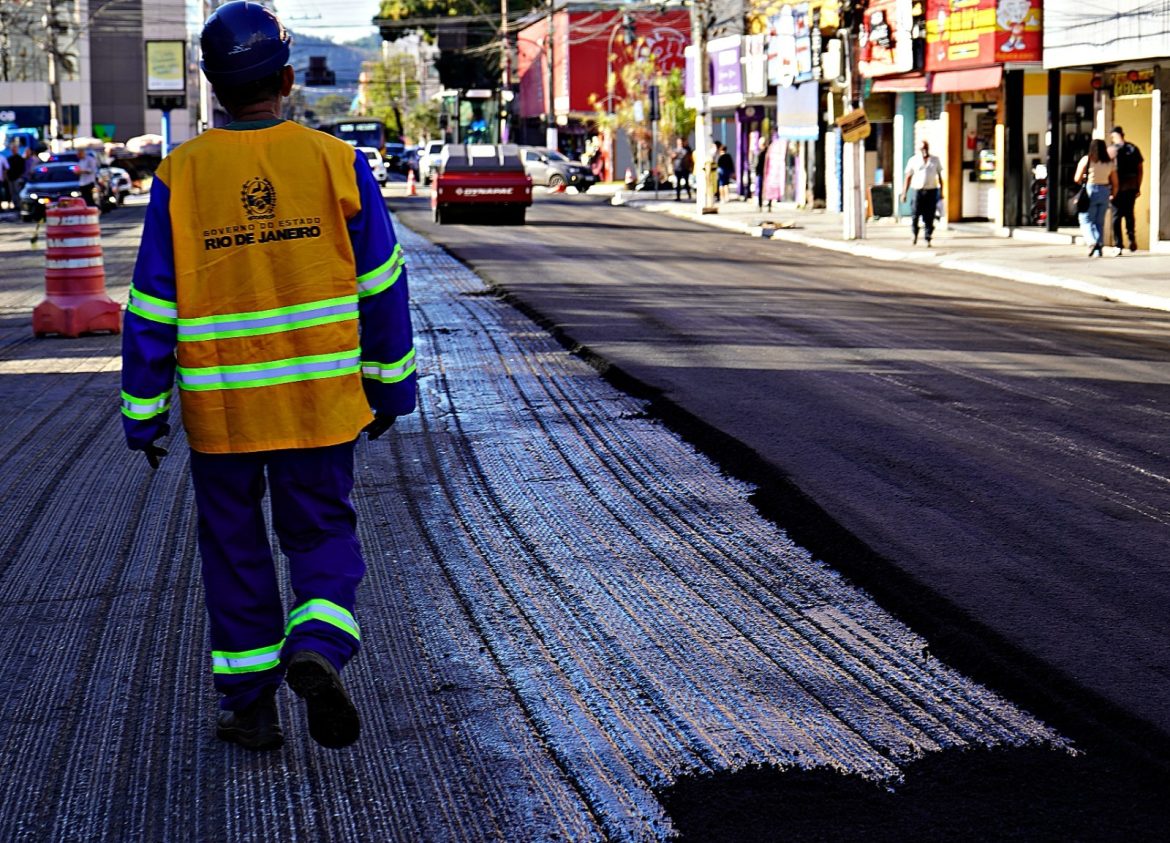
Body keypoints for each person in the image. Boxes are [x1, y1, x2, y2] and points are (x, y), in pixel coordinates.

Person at [120, 0, 416, 752]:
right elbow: (382, 286)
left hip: (224, 418)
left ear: (211, 87)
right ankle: (317, 638)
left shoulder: (179, 174)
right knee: (320, 533)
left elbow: (153, 304)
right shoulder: (335, 163)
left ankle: (250, 706)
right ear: (288, 78)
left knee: (234, 549)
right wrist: (389, 387)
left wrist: (143, 412)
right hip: (318, 408)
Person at [1074, 138, 1117, 258]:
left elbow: (1077, 178)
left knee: (1085, 219)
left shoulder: (1087, 160)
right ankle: (1099, 249)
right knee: (1099, 222)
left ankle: (1091, 242)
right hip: (1104, 191)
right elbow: (1115, 182)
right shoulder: (1109, 162)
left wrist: (1084, 178)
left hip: (1090, 190)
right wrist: (1113, 193)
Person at [900, 140, 943, 246]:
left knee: (930, 215)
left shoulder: (935, 160)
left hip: (931, 191)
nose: (924, 150)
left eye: (926, 148)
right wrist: (904, 193)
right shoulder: (913, 160)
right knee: (915, 214)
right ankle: (914, 234)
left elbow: (940, 176)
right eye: (922, 148)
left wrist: (941, 191)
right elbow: (908, 177)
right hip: (918, 191)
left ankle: (927, 237)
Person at [1109, 126, 1143, 254]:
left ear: (1114, 136)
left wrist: (1110, 189)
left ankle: (1118, 244)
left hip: (1116, 189)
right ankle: (1131, 237)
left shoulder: (1111, 150)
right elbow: (1140, 169)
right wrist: (1138, 186)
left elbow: (1108, 171)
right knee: (1129, 214)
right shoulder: (1133, 148)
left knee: (1116, 217)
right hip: (1131, 187)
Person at [4, 138, 25, 211]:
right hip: (11, 178)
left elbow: (22, 169)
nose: (14, 150)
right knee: (12, 193)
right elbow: (7, 168)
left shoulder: (20, 159)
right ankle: (16, 205)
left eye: (15, 149)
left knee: (18, 192)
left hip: (17, 178)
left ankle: (19, 205)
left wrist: (20, 176)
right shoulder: (9, 158)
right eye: (13, 149)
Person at [670, 137, 692, 201]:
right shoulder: (675, 150)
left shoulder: (687, 149)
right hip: (677, 168)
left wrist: (690, 166)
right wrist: (674, 156)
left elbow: (690, 159)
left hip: (685, 168)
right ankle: (678, 197)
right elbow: (672, 158)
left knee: (686, 183)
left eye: (681, 142)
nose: (680, 143)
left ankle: (689, 195)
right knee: (678, 183)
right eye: (679, 142)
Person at [754, 136, 771, 212]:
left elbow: (757, 164)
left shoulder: (763, 153)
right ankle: (767, 205)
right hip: (765, 173)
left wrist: (757, 172)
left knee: (761, 189)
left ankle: (761, 205)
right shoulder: (768, 153)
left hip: (763, 174)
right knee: (765, 189)